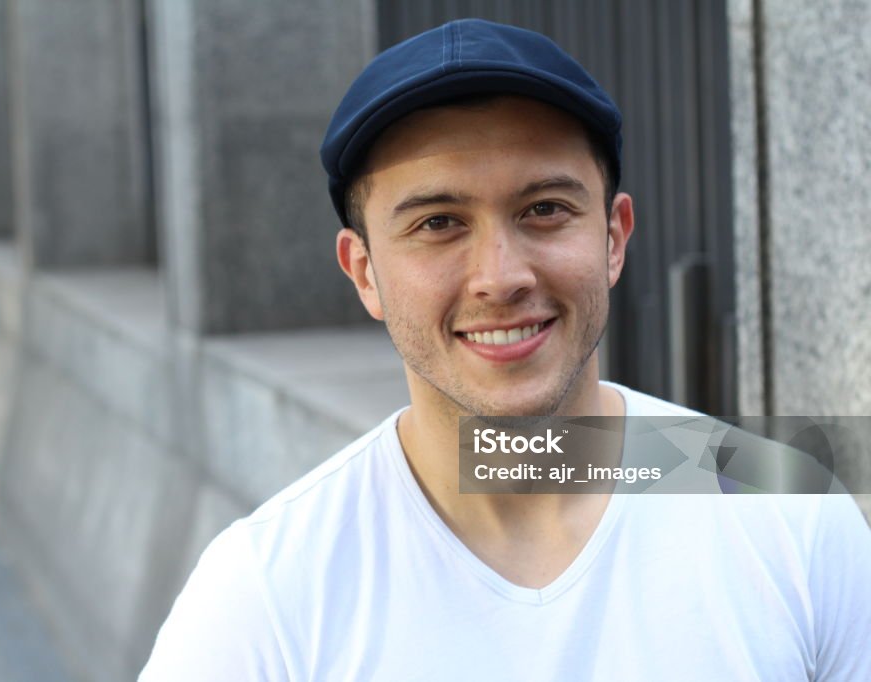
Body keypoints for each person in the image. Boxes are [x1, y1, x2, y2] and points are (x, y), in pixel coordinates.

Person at [140, 19, 871, 680]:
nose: (502, 277)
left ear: (613, 237)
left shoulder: (787, 512)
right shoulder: (266, 594)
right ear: (365, 271)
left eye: (544, 210)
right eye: (438, 223)